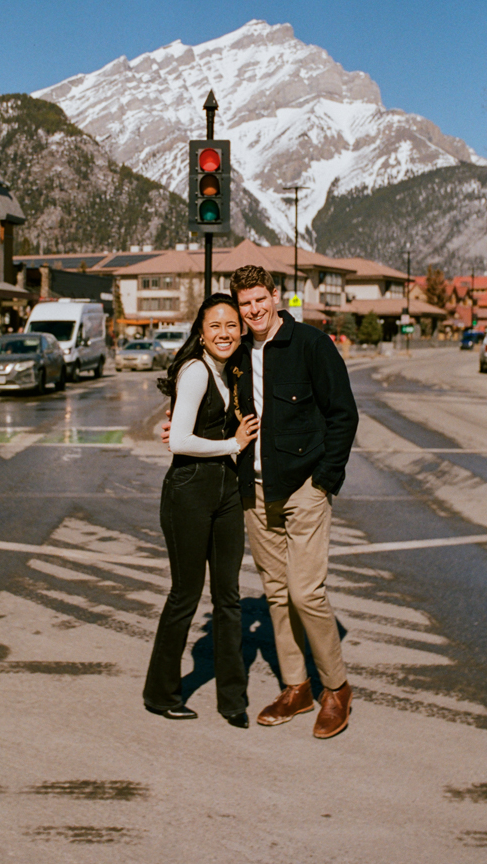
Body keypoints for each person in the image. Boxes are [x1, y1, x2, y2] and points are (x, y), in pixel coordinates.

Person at [230, 265, 359, 738]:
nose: (254, 310)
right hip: (256, 491)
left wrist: (324, 481)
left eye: (259, 299)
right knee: (277, 593)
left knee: (306, 592)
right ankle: (296, 687)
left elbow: (343, 415)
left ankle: (336, 688)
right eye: (245, 304)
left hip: (305, 487)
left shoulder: (311, 344)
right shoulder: (237, 352)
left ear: (275, 295)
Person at [144, 293, 259, 727]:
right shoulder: (195, 371)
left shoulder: (232, 369)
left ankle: (233, 700)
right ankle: (160, 693)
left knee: (229, 597)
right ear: (202, 333)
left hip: (225, 492)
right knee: (185, 595)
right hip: (189, 492)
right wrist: (233, 444)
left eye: (232, 325)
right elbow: (178, 441)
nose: (224, 333)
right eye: (215, 326)